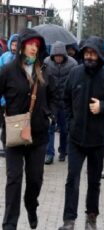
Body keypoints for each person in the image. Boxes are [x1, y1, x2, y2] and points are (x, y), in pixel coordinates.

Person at [58, 36, 104, 230]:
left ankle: (91, 218)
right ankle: (69, 220)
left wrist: (103, 106)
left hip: (97, 139)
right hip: (76, 138)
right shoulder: (75, 73)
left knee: (94, 181)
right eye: (86, 53)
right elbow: (65, 99)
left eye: (93, 53)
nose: (89, 56)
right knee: (72, 179)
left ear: (99, 55)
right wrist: (71, 122)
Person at [0, 28, 57, 230]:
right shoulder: (8, 70)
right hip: (14, 135)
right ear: (22, 46)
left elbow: (54, 96)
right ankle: (9, 224)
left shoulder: (45, 70)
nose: (34, 48)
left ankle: (31, 206)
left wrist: (50, 116)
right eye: (30, 44)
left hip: (39, 136)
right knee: (13, 180)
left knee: (35, 180)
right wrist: (2, 119)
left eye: (37, 45)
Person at [44, 41, 78, 164]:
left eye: (60, 56)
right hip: (52, 101)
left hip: (65, 101)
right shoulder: (46, 63)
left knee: (64, 129)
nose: (58, 58)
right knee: (50, 127)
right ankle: (49, 153)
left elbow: (76, 81)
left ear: (64, 55)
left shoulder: (73, 64)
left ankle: (63, 150)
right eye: (56, 56)